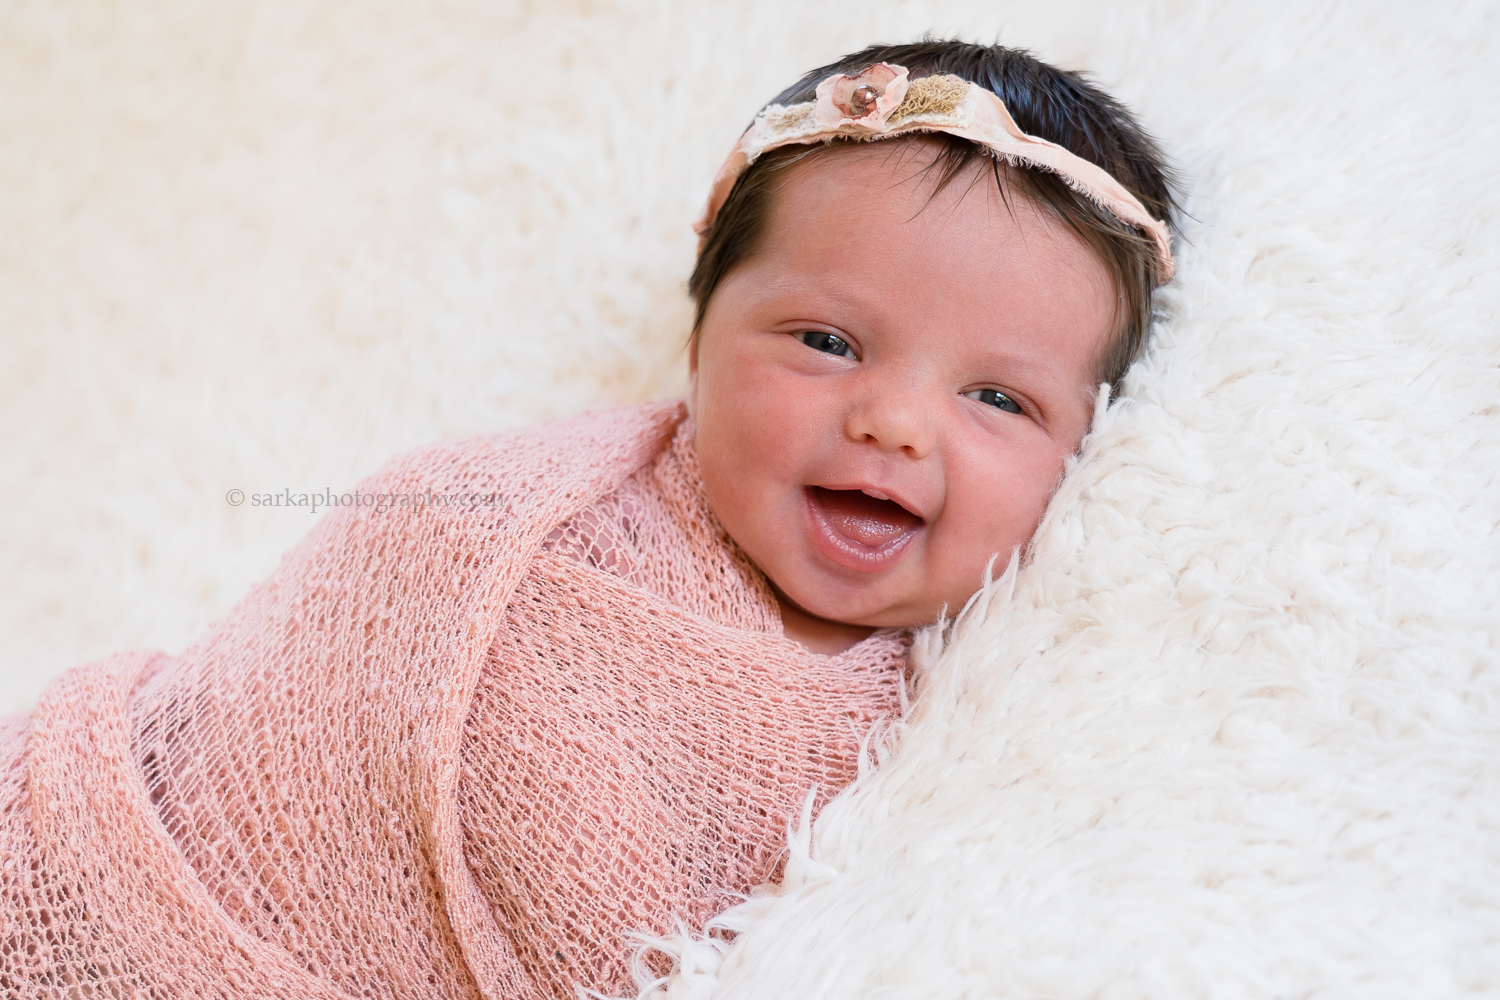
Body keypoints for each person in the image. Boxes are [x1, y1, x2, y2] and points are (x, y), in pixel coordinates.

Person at [0, 39, 1175, 1000]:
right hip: (106, 864)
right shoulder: (493, 520)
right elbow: (318, 665)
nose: (897, 423)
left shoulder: (995, 716)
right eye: (826, 342)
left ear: (1092, 440)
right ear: (702, 342)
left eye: (996, 398)